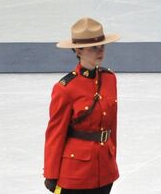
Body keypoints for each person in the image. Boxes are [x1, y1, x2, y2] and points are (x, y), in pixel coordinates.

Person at [45, 16, 120, 194]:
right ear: (78, 50)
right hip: (75, 173)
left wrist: (112, 157)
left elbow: (111, 126)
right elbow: (55, 133)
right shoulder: (65, 88)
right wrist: (51, 174)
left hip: (104, 169)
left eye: (102, 46)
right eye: (93, 48)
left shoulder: (109, 79)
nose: (100, 51)